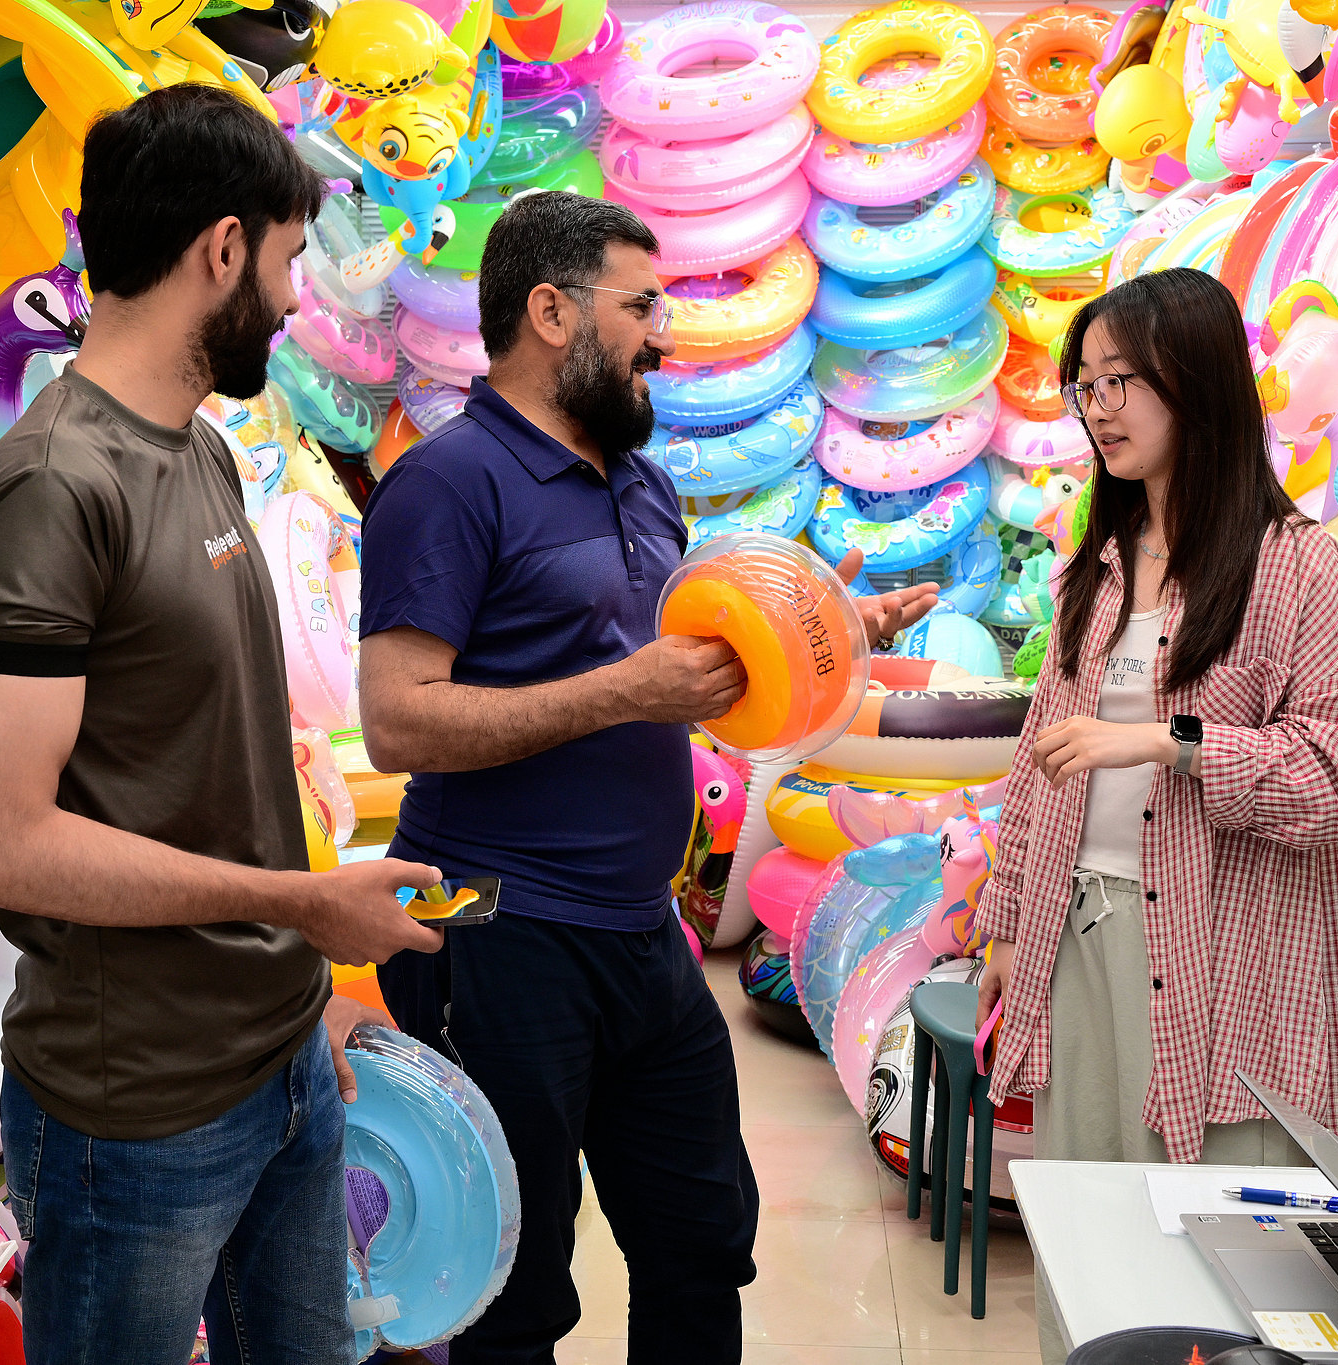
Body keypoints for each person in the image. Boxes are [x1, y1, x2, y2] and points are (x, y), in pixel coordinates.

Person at [356, 191, 938, 1365]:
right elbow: (395, 723)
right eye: (640, 306)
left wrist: (829, 631)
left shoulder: (642, 486)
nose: (662, 335)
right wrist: (629, 693)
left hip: (637, 930)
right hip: (490, 921)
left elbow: (688, 675)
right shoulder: (448, 482)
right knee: (511, 1286)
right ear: (550, 310)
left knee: (700, 1242)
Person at [0, 84, 444, 1365]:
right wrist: (303, 908)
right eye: (284, 261)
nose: (291, 300)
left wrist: (302, 983)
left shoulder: (200, 449)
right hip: (134, 1115)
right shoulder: (54, 487)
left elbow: (212, 760)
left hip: (276, 1062)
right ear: (220, 248)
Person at [968, 268, 1338, 1359]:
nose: (1096, 406)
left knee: (1225, 1252)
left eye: (1120, 380)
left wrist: (1175, 744)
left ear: (1195, 384)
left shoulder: (1295, 568)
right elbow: (1038, 768)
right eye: (1084, 384)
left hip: (1232, 956)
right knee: (1089, 1228)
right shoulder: (1100, 568)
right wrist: (1010, 925)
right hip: (1086, 940)